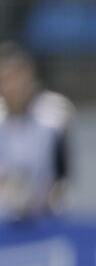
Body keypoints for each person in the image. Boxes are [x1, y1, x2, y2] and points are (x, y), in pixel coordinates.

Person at [0, 42, 72, 224]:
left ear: (29, 76)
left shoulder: (53, 119)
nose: (13, 86)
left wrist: (44, 200)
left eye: (18, 77)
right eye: (7, 78)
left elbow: (63, 175)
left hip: (45, 217)